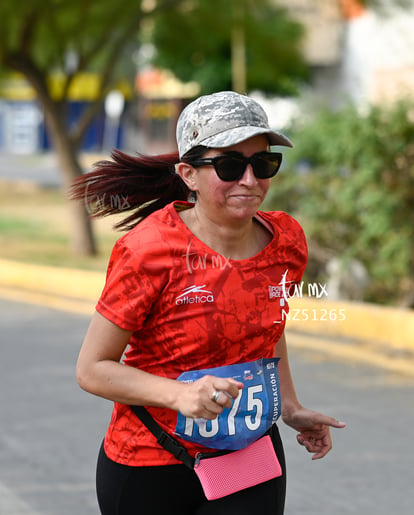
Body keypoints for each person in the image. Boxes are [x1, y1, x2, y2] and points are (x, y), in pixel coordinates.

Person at [72, 91, 346, 515]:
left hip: (248, 450)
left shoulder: (287, 241)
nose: (250, 181)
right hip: (151, 461)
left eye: (263, 163)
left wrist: (289, 406)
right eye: (230, 165)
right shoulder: (149, 249)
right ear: (188, 173)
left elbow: (269, 329)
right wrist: (180, 395)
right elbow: (92, 368)